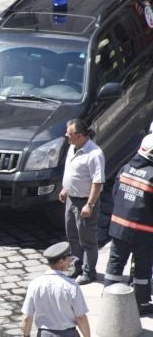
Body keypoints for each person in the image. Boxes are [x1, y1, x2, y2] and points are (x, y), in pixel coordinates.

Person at [104, 134, 153, 315]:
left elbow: (115, 194)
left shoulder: (125, 168)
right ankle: (140, 303)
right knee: (142, 269)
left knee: (115, 265)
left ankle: (109, 302)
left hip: (119, 227)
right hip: (144, 232)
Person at [59, 118, 105, 285]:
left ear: (79, 135)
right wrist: (65, 189)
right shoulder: (73, 147)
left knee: (87, 240)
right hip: (71, 199)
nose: (66, 136)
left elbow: (97, 182)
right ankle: (78, 267)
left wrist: (90, 205)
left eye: (69, 133)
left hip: (85, 202)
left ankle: (89, 272)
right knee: (72, 236)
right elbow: (72, 171)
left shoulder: (94, 154)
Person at [21, 242, 90, 337]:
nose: (70, 260)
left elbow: (27, 318)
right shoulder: (71, 286)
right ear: (61, 262)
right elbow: (80, 317)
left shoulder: (35, 284)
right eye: (68, 257)